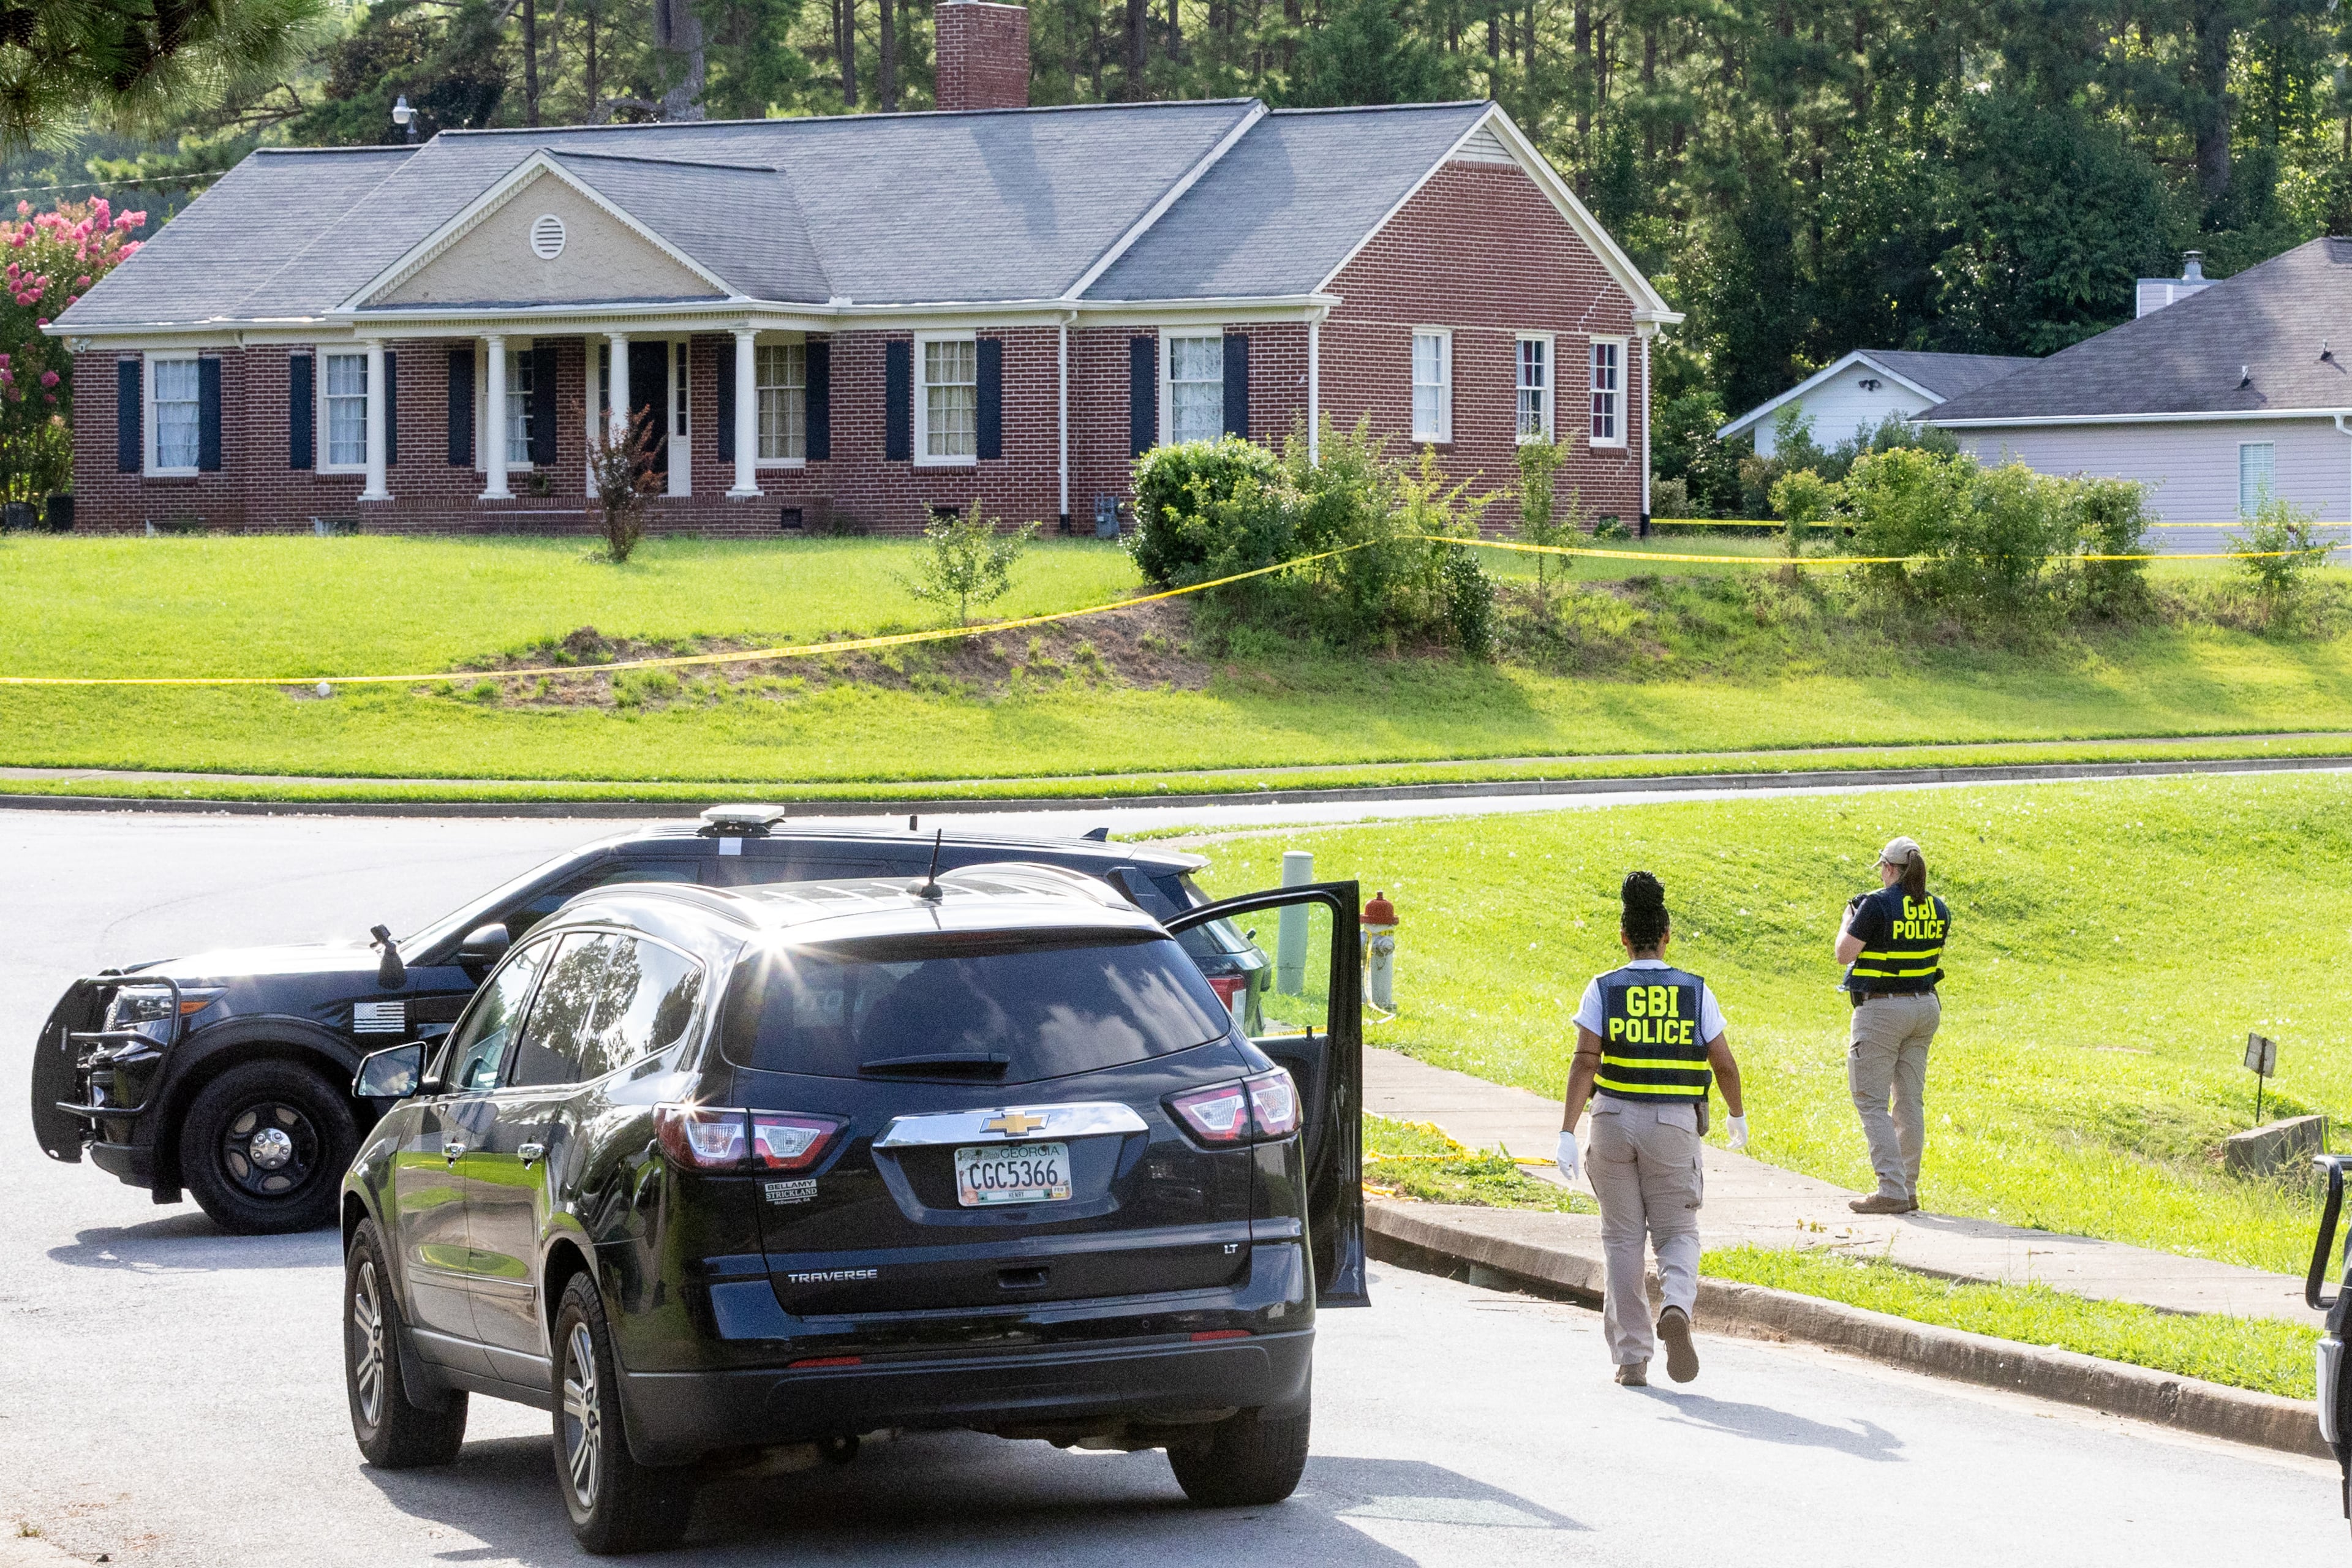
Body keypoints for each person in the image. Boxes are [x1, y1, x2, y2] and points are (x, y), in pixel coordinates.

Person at [1556, 872, 1747, 1387]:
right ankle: (1677, 1308)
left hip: (1613, 1121)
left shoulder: (1603, 987)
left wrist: (1568, 1131)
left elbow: (1584, 1061)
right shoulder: (1694, 990)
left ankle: (1632, 1358)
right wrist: (1736, 1114)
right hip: (1672, 1125)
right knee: (1677, 1233)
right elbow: (1724, 1063)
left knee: (1621, 1240)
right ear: (1668, 935)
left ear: (1623, 937)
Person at [1835, 835, 1950, 1216]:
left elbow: (1843, 954)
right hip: (1925, 1007)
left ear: (1889, 868)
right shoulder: (1939, 907)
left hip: (1883, 1010)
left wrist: (1846, 921)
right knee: (1909, 1101)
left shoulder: (1875, 905)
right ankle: (1908, 1188)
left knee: (1870, 1100)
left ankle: (1891, 1188)